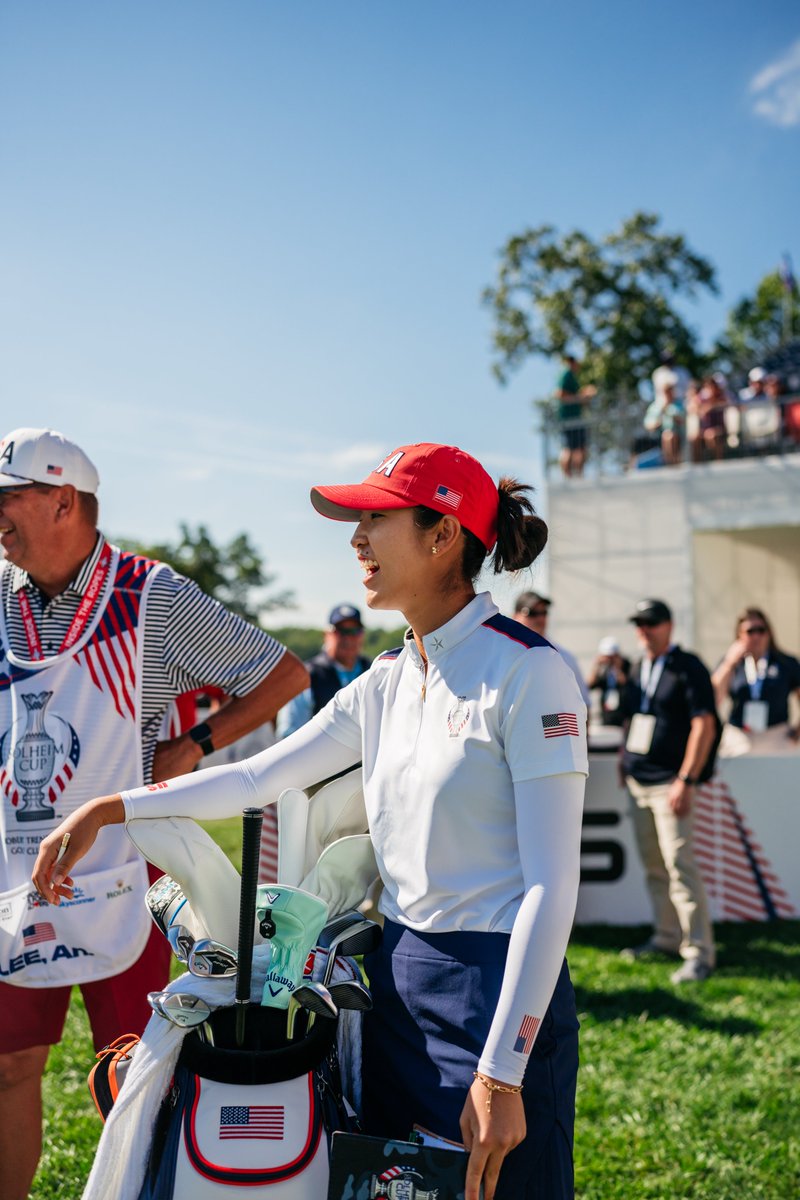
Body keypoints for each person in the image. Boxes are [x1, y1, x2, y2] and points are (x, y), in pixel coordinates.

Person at [33, 442, 589, 1200]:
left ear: (442, 535)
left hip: (495, 990)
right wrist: (113, 808)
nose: (356, 539)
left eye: (375, 519)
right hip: (395, 984)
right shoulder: (386, 679)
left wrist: (501, 1071)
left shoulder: (531, 672)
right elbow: (259, 776)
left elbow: (552, 889)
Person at [0, 426, 309, 1200]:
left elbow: (281, 673)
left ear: (63, 500)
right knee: (8, 1066)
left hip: (121, 872)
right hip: (15, 874)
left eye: (8, 498)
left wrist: (194, 745)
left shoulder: (150, 594)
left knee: (132, 1071)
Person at [618, 599, 718, 984]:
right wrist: (625, 760)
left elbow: (704, 724)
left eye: (652, 623)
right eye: (640, 623)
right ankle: (666, 936)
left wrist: (686, 779)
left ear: (669, 626)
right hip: (639, 780)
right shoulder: (637, 666)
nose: (645, 630)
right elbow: (631, 717)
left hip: (670, 784)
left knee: (680, 867)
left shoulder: (688, 666)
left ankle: (699, 953)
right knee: (655, 868)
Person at [277, 603, 371, 737]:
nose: (348, 638)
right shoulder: (306, 676)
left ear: (362, 634)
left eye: (355, 631)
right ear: (326, 634)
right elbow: (290, 733)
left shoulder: (372, 671)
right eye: (341, 631)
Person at [711, 607, 800, 741]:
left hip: (775, 734)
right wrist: (729, 664)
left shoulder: (785, 662)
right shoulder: (732, 663)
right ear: (739, 635)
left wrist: (797, 731)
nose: (756, 636)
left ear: (769, 633)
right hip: (739, 736)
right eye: (750, 631)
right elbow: (713, 698)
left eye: (761, 630)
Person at [513, 591, 591, 709]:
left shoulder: (563, 657)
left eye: (544, 612)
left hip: (549, 719)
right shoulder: (503, 656)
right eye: (532, 613)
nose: (540, 618)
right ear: (515, 616)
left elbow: (584, 705)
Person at [555, 354, 596, 478]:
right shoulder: (566, 374)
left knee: (579, 448)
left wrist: (584, 395)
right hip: (569, 420)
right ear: (572, 363)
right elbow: (560, 394)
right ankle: (569, 476)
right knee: (570, 448)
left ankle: (577, 476)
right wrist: (581, 397)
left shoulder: (570, 376)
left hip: (574, 419)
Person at [646, 351, 690, 465]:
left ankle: (675, 461)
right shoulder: (658, 373)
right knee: (668, 435)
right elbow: (649, 425)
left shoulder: (682, 372)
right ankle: (669, 462)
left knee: (671, 436)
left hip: (680, 430)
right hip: (661, 431)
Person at [586, 637, 630, 727]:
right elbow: (589, 686)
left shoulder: (627, 665)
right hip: (606, 715)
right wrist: (596, 666)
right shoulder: (603, 669)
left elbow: (626, 684)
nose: (609, 660)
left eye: (612, 657)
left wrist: (617, 667)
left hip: (624, 717)